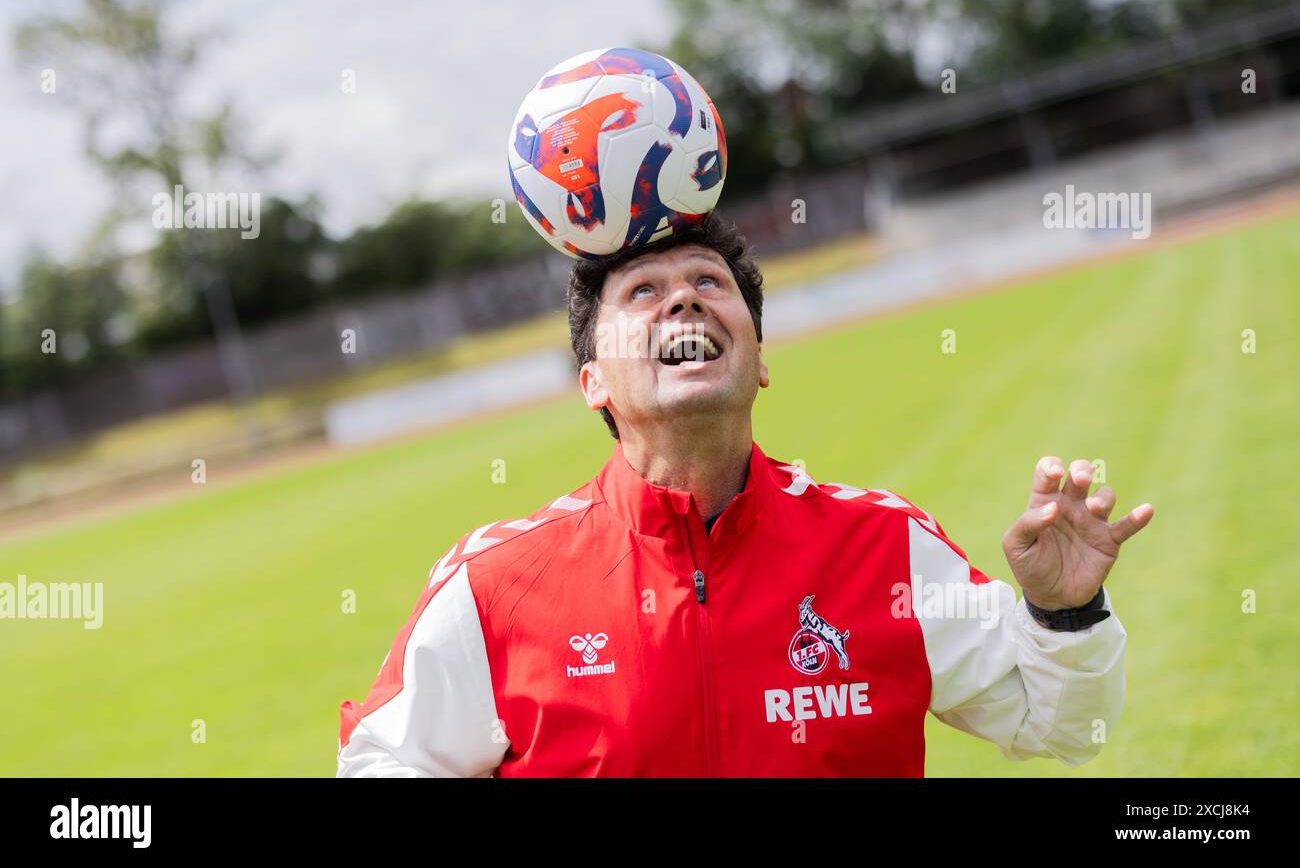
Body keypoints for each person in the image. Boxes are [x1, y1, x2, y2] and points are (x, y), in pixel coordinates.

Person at [336, 211, 1154, 777]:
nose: (684, 297)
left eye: (707, 280)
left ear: (759, 356)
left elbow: (1064, 726)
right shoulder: (495, 586)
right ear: (593, 382)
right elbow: (385, 758)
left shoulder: (884, 548)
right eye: (642, 293)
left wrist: (1064, 613)